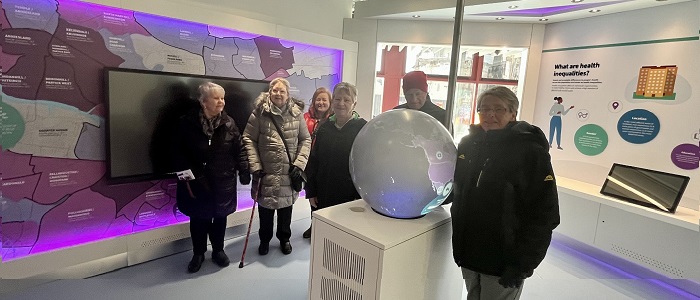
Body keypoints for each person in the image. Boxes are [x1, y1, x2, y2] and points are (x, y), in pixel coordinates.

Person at [446, 86, 560, 299]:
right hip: (470, 252)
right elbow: (457, 190)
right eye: (484, 109)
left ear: (513, 113)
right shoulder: (469, 145)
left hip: (505, 259)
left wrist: (522, 264)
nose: (490, 115)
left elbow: (545, 213)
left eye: (499, 109)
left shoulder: (530, 151)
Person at [172, 82, 251, 273]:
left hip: (223, 181)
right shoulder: (187, 123)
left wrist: (245, 169)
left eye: (222, 98)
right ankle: (198, 253)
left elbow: (239, 149)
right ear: (203, 101)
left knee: (220, 217)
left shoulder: (229, 123)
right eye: (216, 98)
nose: (221, 102)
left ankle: (218, 251)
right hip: (196, 182)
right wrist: (194, 175)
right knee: (198, 219)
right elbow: (177, 153)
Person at [242, 77, 311, 256]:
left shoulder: (296, 114)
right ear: (269, 92)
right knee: (265, 212)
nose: (278, 94)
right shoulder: (259, 113)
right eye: (275, 90)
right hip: (266, 173)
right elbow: (248, 138)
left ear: (288, 95)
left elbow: (305, 139)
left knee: (286, 210)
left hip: (289, 173)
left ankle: (284, 239)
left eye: (282, 91)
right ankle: (264, 240)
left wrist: (299, 164)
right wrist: (255, 165)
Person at [305, 82, 367, 215]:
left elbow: (366, 166)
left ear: (354, 104)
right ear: (333, 101)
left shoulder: (363, 129)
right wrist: (311, 191)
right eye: (337, 99)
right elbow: (314, 160)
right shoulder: (324, 126)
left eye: (347, 100)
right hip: (324, 193)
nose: (341, 103)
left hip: (350, 198)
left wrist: (360, 196)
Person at [301, 87, 333, 239]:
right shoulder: (305, 118)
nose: (321, 103)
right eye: (318, 99)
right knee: (312, 196)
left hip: (325, 164)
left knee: (326, 196)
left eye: (324, 100)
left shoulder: (333, 120)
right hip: (309, 165)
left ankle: (326, 228)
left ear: (330, 102)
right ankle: (314, 225)